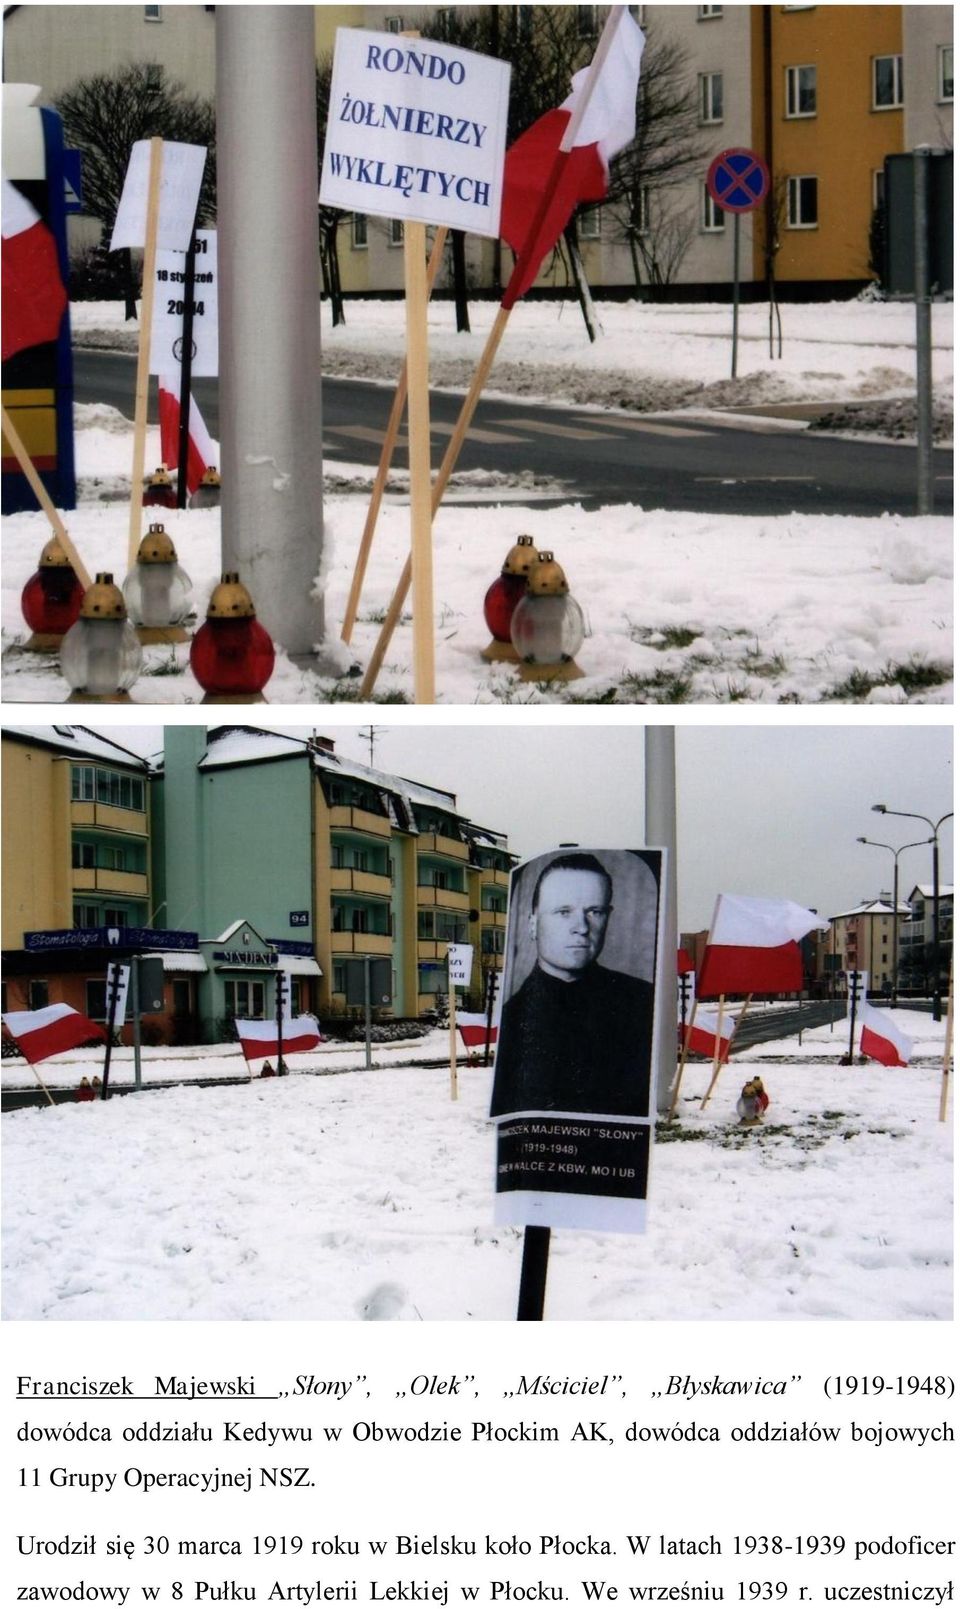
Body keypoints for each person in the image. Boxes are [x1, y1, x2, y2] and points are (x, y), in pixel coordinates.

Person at [490, 852, 655, 1118]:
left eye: (594, 911)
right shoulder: (513, 1018)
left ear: (608, 917)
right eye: (563, 912)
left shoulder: (644, 1003)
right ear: (532, 924)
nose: (581, 927)